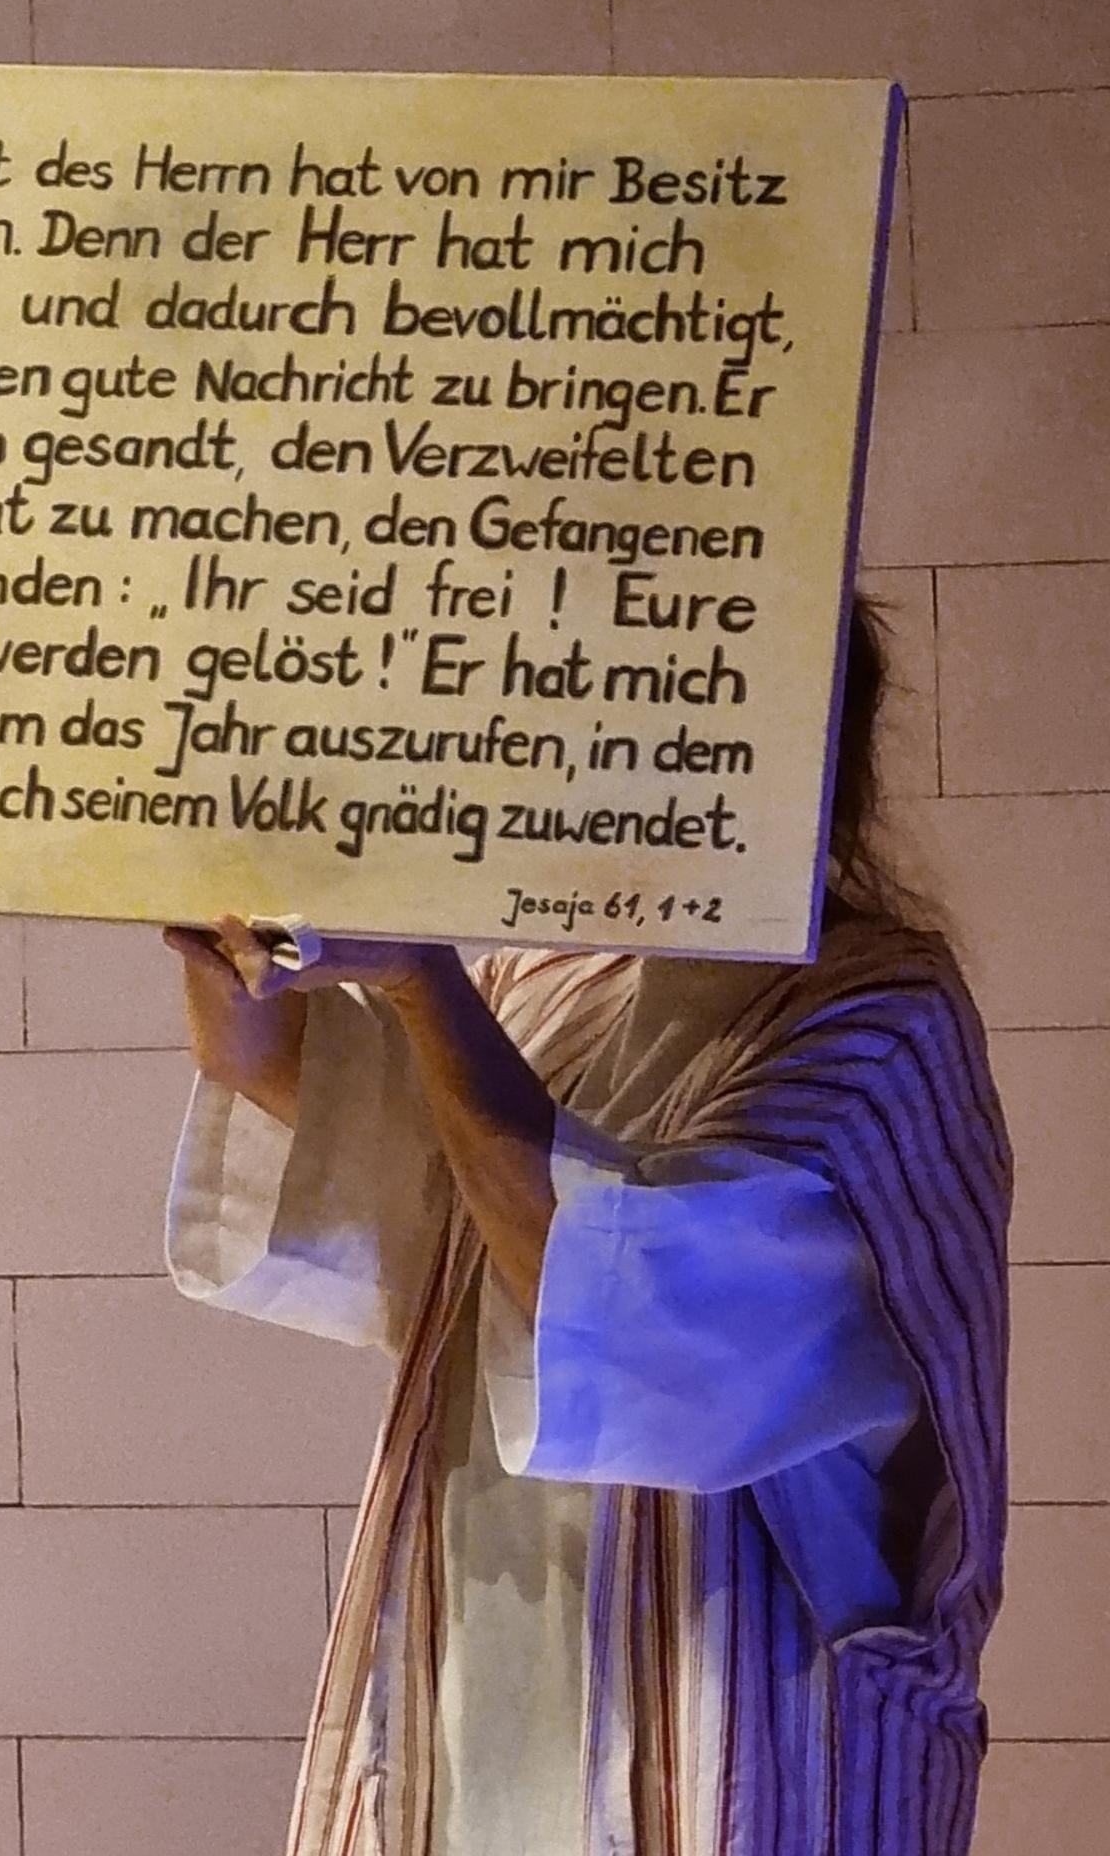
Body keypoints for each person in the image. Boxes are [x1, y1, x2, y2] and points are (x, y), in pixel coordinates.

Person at [163, 592, 1012, 1856]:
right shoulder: (553, 975)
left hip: (738, 1698)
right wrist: (212, 916)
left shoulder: (880, 1011)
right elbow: (317, 1104)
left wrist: (421, 978)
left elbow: (619, 1298)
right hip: (486, 1666)